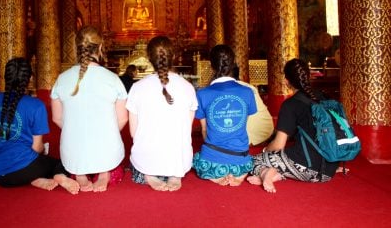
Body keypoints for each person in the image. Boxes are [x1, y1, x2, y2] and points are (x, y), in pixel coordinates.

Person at [51, 25, 128, 192]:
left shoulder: (62, 79)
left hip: (73, 148)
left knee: (76, 138)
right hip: (107, 146)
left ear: (76, 48)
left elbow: (57, 118)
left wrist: (78, 130)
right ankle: (104, 171)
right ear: (100, 47)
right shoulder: (112, 79)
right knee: (108, 134)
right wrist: (104, 131)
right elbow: (123, 119)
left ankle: (80, 174)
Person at [247, 58, 339, 193]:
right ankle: (278, 174)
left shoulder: (290, 105)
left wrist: (265, 151)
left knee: (250, 161)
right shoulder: (324, 97)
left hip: (310, 170)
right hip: (330, 168)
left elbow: (278, 145)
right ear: (308, 76)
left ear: (286, 81)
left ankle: (266, 172)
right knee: (289, 155)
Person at [0, 58, 79, 193]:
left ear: (6, 77)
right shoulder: (35, 105)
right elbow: (37, 148)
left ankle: (35, 178)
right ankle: (57, 176)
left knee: (31, 162)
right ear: (30, 78)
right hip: (25, 169)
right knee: (63, 163)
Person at [127, 36, 197, 191]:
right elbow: (186, 128)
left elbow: (133, 132)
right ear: (173, 56)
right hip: (178, 158)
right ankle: (175, 173)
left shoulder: (137, 87)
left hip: (146, 158)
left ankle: (148, 173)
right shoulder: (187, 87)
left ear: (149, 58)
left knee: (141, 157)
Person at [193, 45, 257, 186]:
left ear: (211, 65)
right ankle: (238, 175)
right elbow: (242, 124)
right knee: (250, 161)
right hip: (241, 160)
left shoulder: (202, 94)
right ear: (233, 63)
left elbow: (204, 131)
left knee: (197, 160)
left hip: (212, 162)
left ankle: (217, 176)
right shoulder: (247, 92)